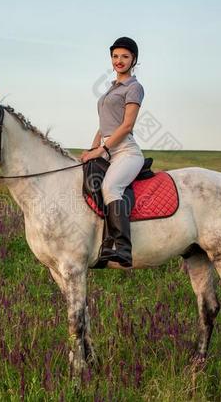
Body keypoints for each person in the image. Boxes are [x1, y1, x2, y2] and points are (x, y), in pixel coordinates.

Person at [80, 36, 145, 268]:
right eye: (115, 56)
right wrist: (92, 148)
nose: (119, 61)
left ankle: (123, 249)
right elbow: (104, 124)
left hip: (125, 151)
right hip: (107, 148)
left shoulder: (134, 87)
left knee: (110, 187)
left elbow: (126, 125)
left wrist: (102, 149)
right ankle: (101, 242)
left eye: (125, 57)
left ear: (133, 60)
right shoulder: (111, 88)